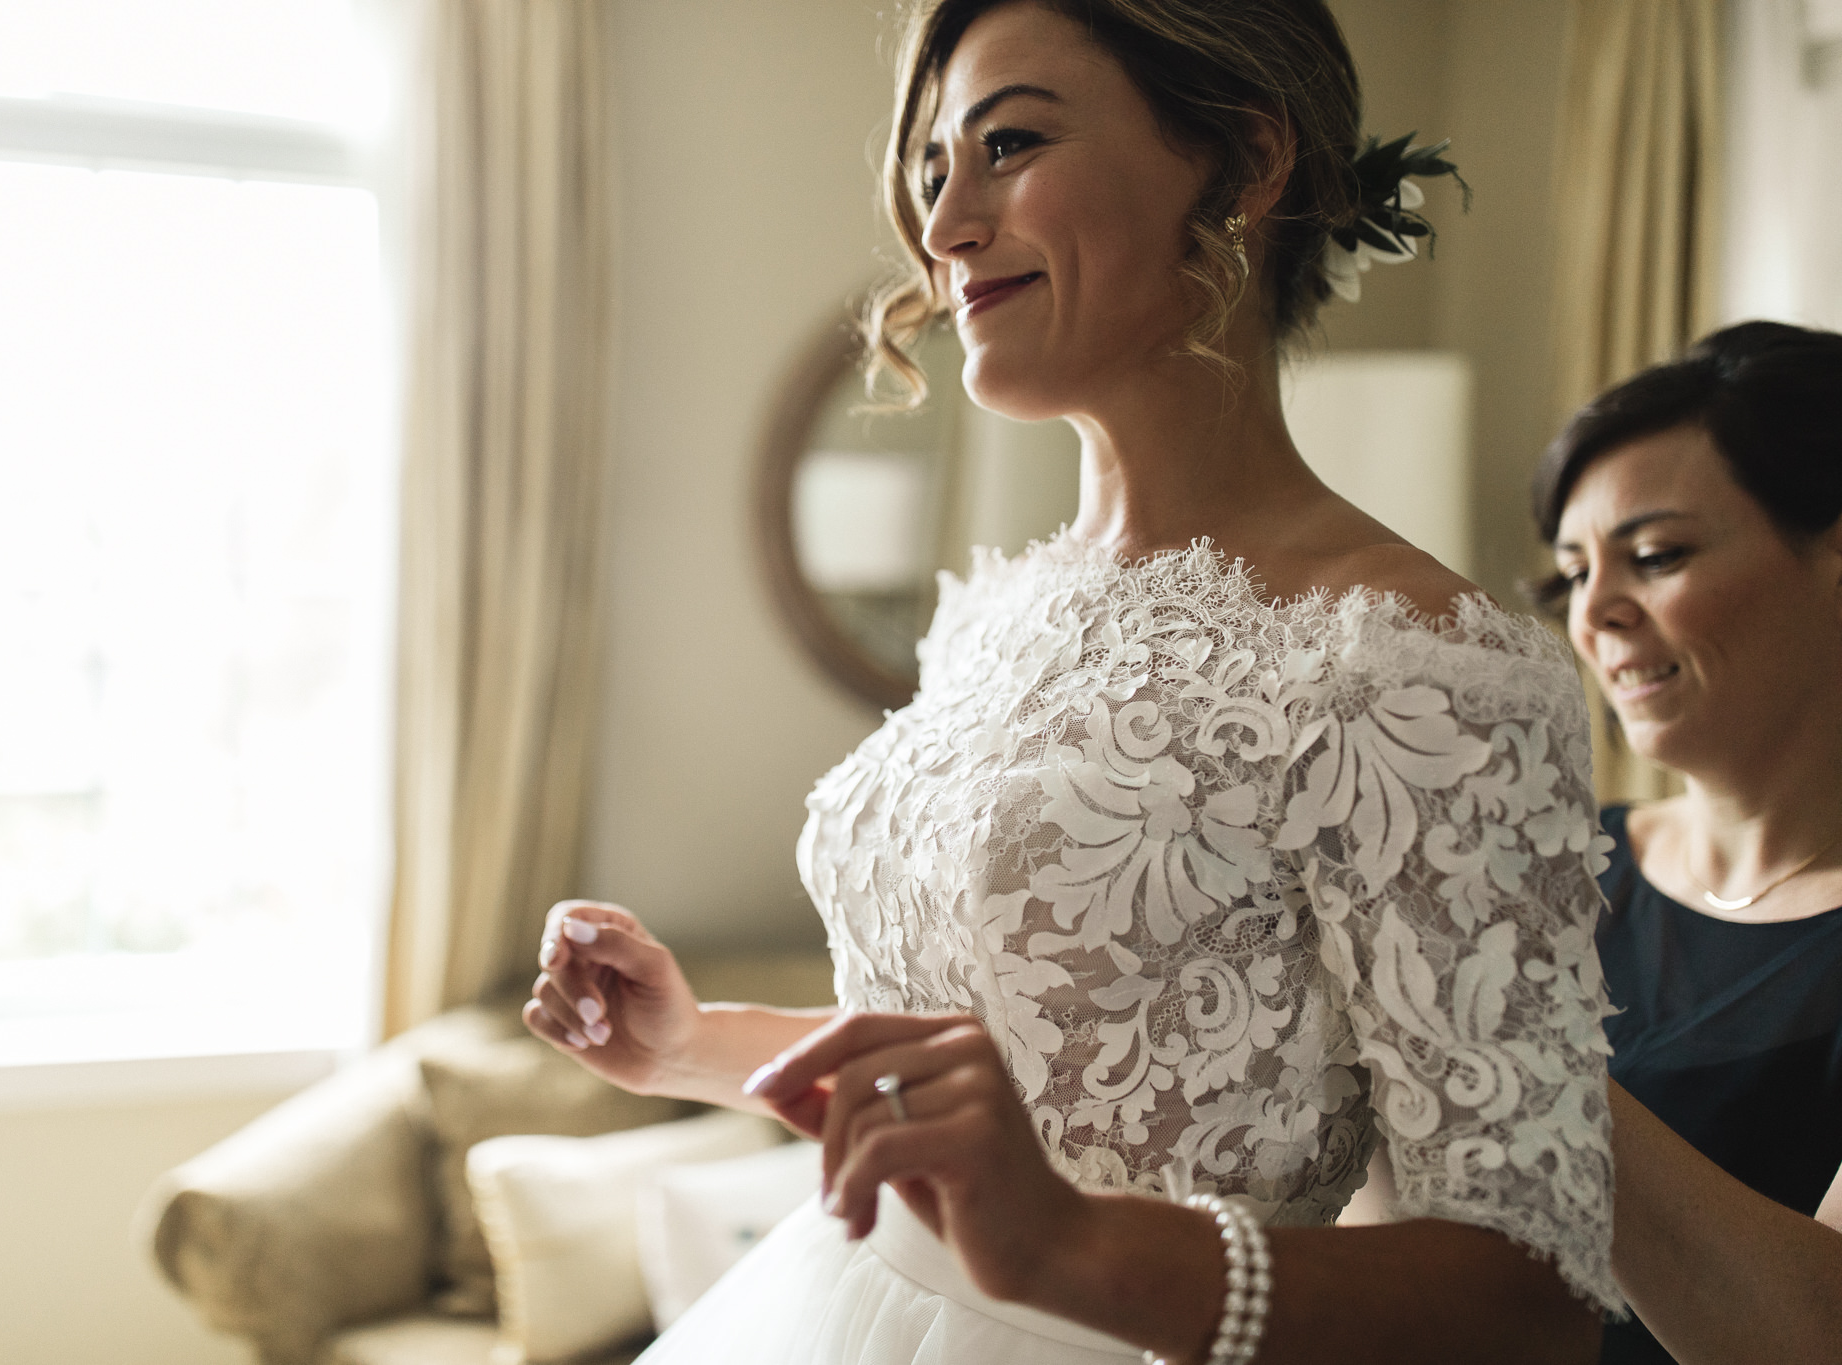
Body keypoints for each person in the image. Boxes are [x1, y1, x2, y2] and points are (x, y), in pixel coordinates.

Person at [529, 2, 1622, 1360]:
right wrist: (694, 1044)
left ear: (1243, 160)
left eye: (1012, 144)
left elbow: (1534, 1298)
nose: (944, 226)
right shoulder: (992, 610)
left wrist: (1081, 1248)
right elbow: (1008, 1059)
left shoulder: (1415, 666)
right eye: (936, 170)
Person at [1533, 320, 1842, 1365]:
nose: (1595, 615)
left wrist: (1499, 1037)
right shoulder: (1548, 873)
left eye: (1655, 556)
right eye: (1570, 574)